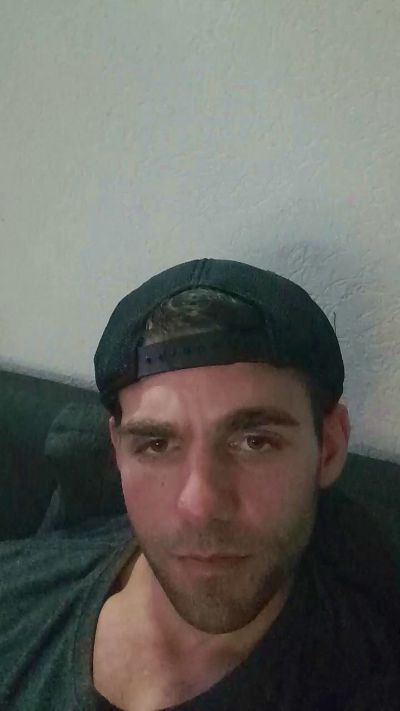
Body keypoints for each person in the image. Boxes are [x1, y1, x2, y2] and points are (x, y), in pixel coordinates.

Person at [1, 257, 399, 711]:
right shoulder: (15, 592)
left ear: (328, 448)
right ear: (117, 452)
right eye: (156, 444)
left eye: (255, 442)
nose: (200, 504)